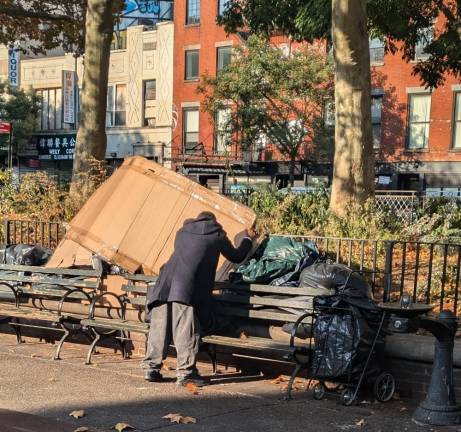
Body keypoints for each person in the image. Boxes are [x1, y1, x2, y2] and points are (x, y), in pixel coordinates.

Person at [141, 211, 255, 386]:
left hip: (163, 284)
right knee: (186, 331)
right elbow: (236, 256)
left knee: (159, 329)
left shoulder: (182, 232)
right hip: (185, 287)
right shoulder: (217, 235)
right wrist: (247, 238)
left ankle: (151, 368)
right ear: (213, 221)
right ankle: (186, 374)